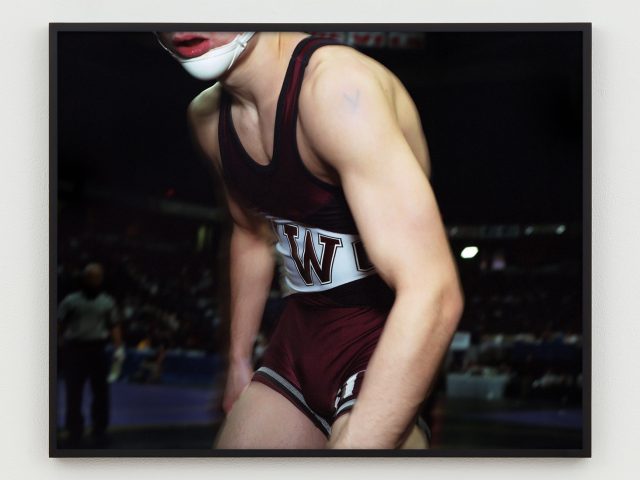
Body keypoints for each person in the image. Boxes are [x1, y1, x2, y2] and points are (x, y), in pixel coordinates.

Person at [156, 31, 464, 449]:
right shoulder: (207, 118)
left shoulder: (337, 89)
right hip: (299, 337)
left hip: (380, 337)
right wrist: (238, 359)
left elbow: (434, 291)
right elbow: (250, 231)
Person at [58, 263, 124, 446]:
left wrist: (119, 348)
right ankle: (74, 428)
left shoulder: (107, 302)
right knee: (74, 392)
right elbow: (59, 323)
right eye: (91, 277)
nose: (94, 280)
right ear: (84, 278)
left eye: (97, 277)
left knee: (101, 392)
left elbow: (114, 325)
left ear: (101, 279)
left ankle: (100, 428)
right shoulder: (71, 301)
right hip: (75, 349)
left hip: (98, 350)